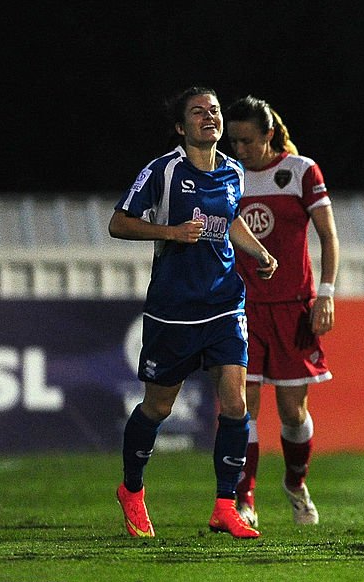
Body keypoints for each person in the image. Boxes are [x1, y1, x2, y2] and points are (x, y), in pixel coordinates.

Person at [110, 85, 278, 539]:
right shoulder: (163, 171)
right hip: (174, 311)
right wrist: (170, 231)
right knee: (158, 407)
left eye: (215, 110)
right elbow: (119, 222)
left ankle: (226, 505)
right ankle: (132, 490)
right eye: (199, 112)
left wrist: (259, 253)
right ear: (181, 127)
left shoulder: (233, 171)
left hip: (225, 302)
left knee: (236, 402)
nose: (211, 117)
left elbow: (232, 219)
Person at [224, 96, 340, 528]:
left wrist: (325, 293)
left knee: (293, 412)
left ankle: (295, 482)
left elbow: (329, 236)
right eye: (234, 141)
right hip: (243, 307)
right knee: (242, 407)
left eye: (248, 141)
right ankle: (245, 498)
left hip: (293, 308)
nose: (240, 150)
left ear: (269, 135)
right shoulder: (228, 174)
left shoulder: (301, 171)